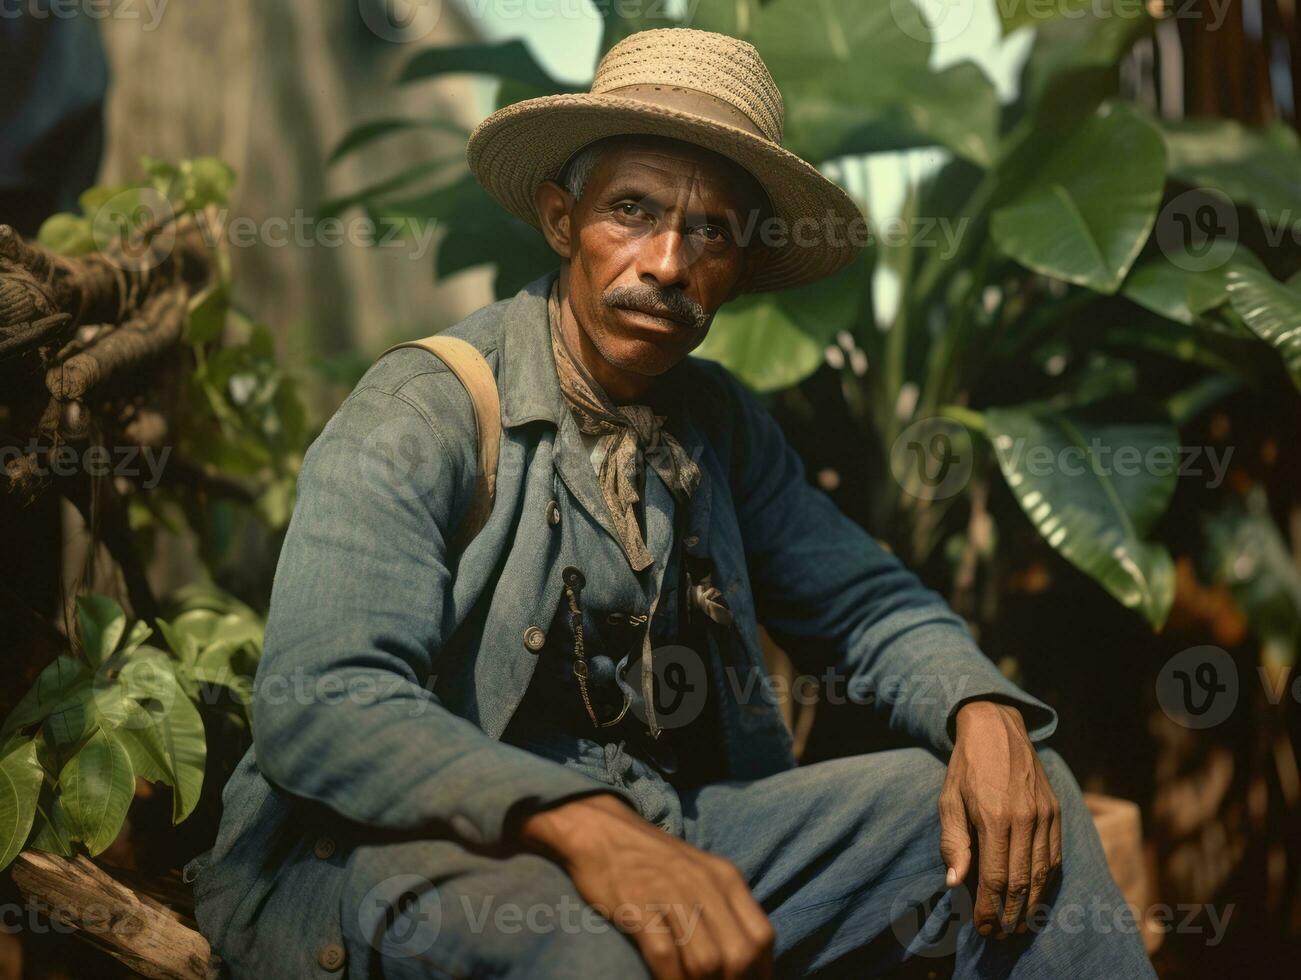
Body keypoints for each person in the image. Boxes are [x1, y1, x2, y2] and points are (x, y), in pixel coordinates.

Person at [188, 27, 1157, 980]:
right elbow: (322, 699)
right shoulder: (427, 407)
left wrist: (979, 710)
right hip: (403, 853)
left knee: (1032, 804)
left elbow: (866, 602)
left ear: (739, 265)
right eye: (632, 210)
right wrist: (582, 824)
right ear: (561, 219)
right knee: (589, 951)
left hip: (664, 829)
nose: (665, 261)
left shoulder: (718, 424)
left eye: (710, 232)